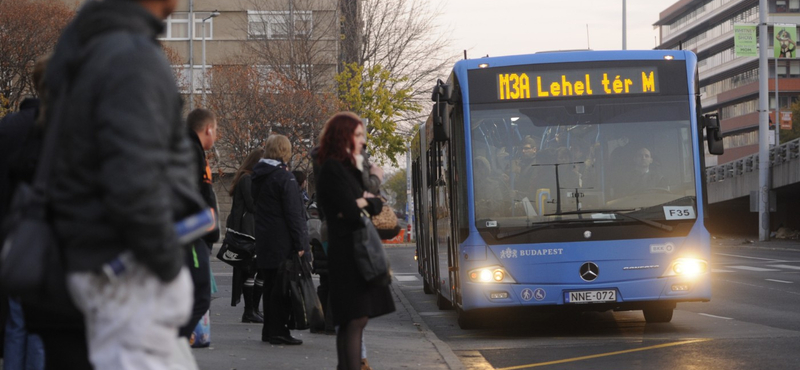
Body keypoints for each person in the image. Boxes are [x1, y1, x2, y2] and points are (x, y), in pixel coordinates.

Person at [45, 0, 206, 368]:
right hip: (129, 274)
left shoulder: (94, 46)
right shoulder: (131, 57)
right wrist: (167, 266)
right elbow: (134, 183)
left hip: (106, 263)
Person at [316, 112, 396, 370]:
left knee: (355, 321)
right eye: (358, 134)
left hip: (354, 249)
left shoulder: (347, 168)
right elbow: (351, 211)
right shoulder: (332, 167)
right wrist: (363, 201)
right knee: (354, 320)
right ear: (344, 136)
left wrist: (363, 201)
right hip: (348, 252)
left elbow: (367, 204)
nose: (363, 140)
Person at [0, 57, 48, 370]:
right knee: (43, 324)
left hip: (9, 237)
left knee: (16, 321)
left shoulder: (7, 129)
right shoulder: (62, 129)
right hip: (47, 240)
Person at [252, 134, 307, 345]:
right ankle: (279, 331)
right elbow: (294, 214)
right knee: (282, 290)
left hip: (265, 238)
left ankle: (269, 330)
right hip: (282, 241)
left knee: (270, 286)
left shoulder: (259, 175)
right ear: (284, 151)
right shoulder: (284, 177)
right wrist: (301, 243)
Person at [179, 108, 219, 339]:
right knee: (200, 294)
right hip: (193, 234)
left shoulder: (191, 151)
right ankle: (172, 340)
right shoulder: (190, 152)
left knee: (197, 293)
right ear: (208, 129)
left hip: (197, 232)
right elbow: (193, 194)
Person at [226, 149, 265, 324]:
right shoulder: (248, 179)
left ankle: (254, 309)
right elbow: (252, 205)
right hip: (248, 232)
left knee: (257, 270)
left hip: (251, 230)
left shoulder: (248, 178)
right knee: (251, 271)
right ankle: (250, 311)